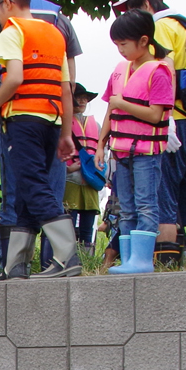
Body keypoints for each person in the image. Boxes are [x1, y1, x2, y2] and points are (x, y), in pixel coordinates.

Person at [115, 0, 186, 270]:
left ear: (146, 6)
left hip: (172, 124)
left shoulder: (160, 27)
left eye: (132, 9)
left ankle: (165, 263)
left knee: (162, 195)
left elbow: (166, 67)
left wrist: (168, 119)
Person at [0, 0, 77, 279]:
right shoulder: (53, 33)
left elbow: (14, 78)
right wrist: (65, 133)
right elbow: (66, 89)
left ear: (7, 3)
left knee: (34, 185)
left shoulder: (12, 30)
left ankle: (67, 256)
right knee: (26, 189)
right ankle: (16, 265)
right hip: (51, 119)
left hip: (23, 118)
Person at [98, 9, 174, 276]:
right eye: (117, 45)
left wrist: (122, 104)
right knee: (126, 208)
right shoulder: (120, 70)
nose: (120, 50)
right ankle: (129, 259)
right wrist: (100, 143)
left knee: (145, 204)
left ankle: (142, 261)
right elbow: (111, 109)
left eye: (124, 44)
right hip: (121, 151)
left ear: (144, 41)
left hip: (146, 152)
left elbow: (155, 115)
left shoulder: (159, 71)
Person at [62, 81, 103, 261]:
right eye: (78, 97)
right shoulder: (64, 122)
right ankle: (69, 260)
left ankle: (86, 261)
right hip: (70, 178)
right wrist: (66, 168)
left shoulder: (97, 125)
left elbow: (103, 152)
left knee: (88, 225)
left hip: (90, 181)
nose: (82, 101)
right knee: (68, 223)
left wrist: (101, 171)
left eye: (85, 98)